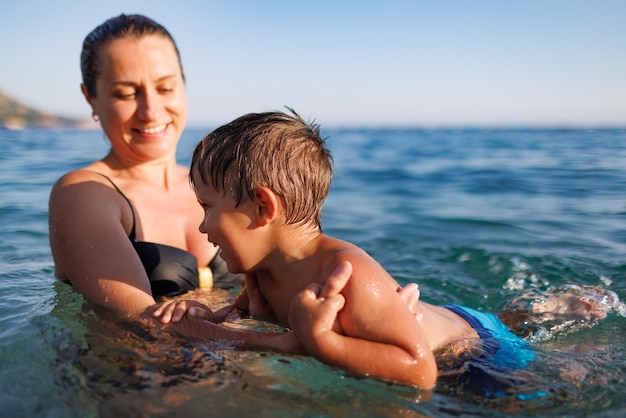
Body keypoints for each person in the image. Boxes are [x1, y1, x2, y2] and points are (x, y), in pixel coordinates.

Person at [151, 110, 538, 391]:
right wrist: (205, 313)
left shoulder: (346, 274)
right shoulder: (261, 272)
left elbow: (420, 370)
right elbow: (233, 324)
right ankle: (523, 312)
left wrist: (323, 342)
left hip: (472, 350)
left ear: (263, 208)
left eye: (207, 208)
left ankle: (542, 310)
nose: (202, 226)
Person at [48, 14, 243, 317]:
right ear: (90, 98)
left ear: (183, 81)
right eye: (126, 93)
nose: (151, 111)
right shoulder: (83, 194)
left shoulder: (228, 184)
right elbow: (145, 326)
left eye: (165, 88)